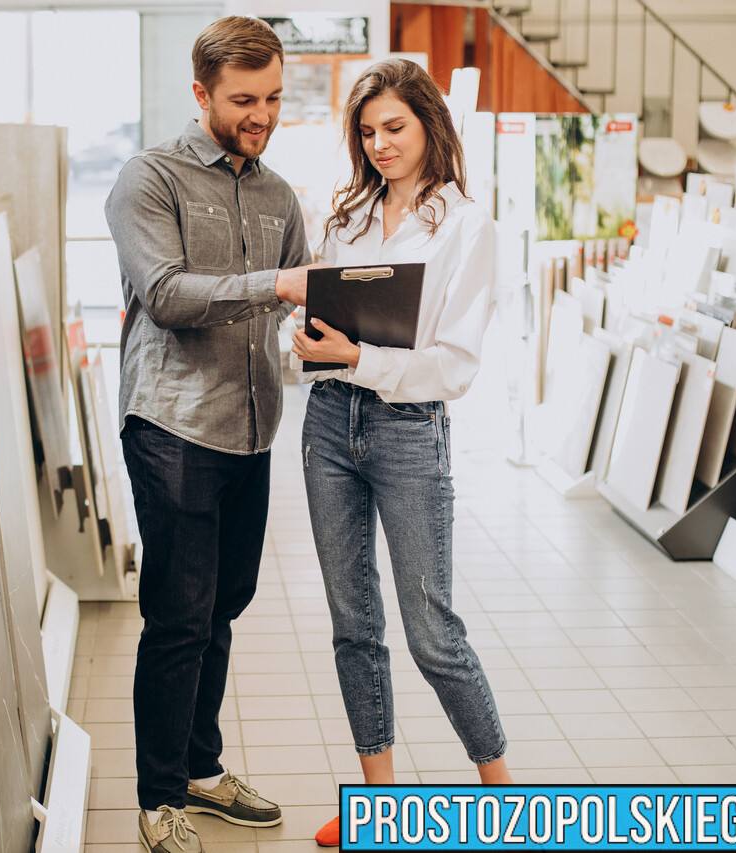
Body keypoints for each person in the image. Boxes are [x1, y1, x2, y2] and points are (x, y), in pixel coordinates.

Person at [103, 16, 317, 853]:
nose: (260, 114)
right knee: (178, 617)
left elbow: (297, 301)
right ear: (201, 94)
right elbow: (165, 293)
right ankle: (160, 796)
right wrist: (279, 283)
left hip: (251, 427)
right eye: (242, 100)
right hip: (174, 426)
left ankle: (199, 764)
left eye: (270, 97)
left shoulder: (279, 195)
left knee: (224, 606)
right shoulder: (147, 178)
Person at [288, 58, 513, 847]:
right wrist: (314, 347)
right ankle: (377, 806)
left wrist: (359, 358)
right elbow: (326, 329)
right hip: (327, 423)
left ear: (430, 126)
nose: (380, 144)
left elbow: (452, 365)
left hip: (408, 429)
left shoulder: (465, 227)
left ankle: (506, 800)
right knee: (354, 622)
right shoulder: (348, 215)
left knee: (432, 631)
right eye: (368, 131)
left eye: (395, 128)